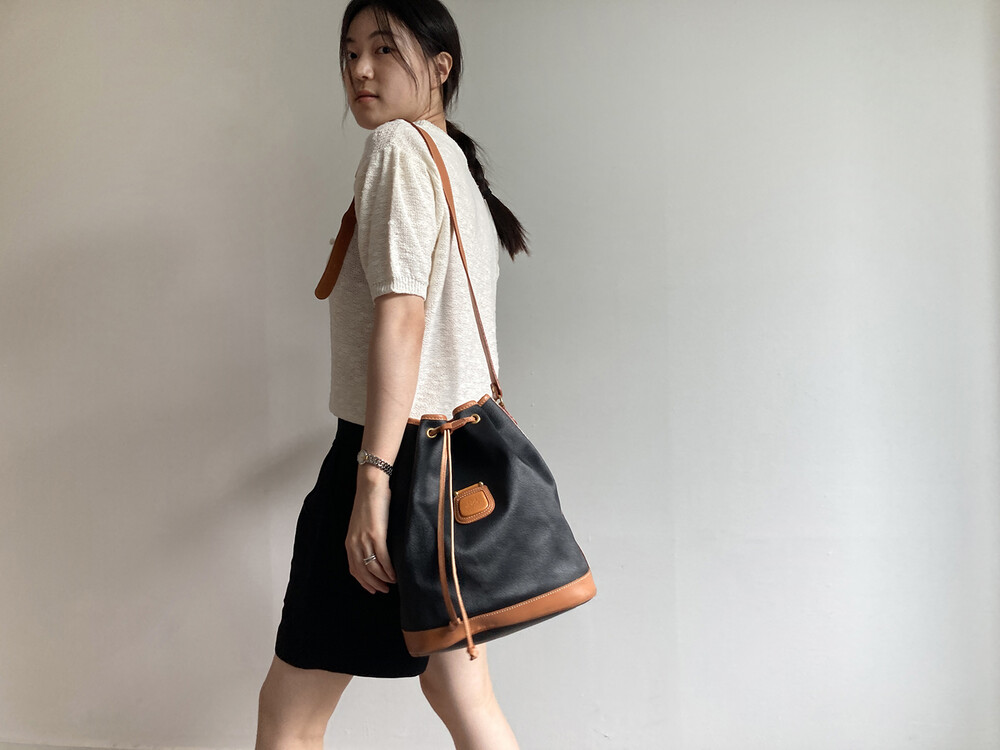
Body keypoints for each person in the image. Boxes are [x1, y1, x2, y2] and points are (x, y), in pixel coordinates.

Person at [255, 1, 528, 748]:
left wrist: (371, 479)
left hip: (390, 456)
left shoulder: (397, 148)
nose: (360, 69)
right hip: (453, 459)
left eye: (383, 49)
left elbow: (403, 319)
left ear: (440, 66)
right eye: (349, 53)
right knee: (462, 694)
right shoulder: (454, 164)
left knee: (289, 716)